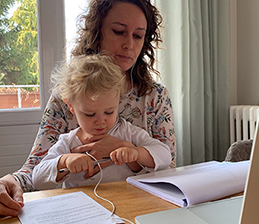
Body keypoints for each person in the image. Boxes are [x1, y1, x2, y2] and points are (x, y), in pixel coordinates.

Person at [0, 0, 176, 216]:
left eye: (138, 36)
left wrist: (129, 152)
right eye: (118, 31)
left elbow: (168, 167)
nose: (129, 44)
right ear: (98, 32)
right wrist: (9, 181)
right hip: (81, 213)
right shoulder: (66, 95)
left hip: (140, 211)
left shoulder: (155, 97)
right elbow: (36, 169)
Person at [32, 54, 172, 189]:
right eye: (90, 114)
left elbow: (166, 156)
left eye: (109, 112)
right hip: (83, 207)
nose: (100, 121)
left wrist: (137, 153)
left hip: (126, 203)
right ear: (71, 107)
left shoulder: (128, 133)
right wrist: (64, 161)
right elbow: (37, 179)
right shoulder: (68, 142)